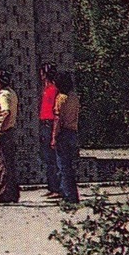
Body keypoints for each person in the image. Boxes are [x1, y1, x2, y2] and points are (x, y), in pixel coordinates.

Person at [0, 67, 20, 204]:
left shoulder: (3, 95)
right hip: (10, 130)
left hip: (3, 132)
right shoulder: (11, 93)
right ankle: (13, 192)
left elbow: (6, 111)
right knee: (9, 162)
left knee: (2, 163)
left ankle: (4, 193)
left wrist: (1, 128)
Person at [50, 69, 81, 205]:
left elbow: (57, 119)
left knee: (63, 165)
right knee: (69, 165)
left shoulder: (60, 98)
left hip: (63, 132)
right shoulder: (74, 96)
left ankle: (68, 195)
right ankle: (71, 193)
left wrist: (54, 136)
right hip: (73, 131)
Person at [38, 62, 60, 199]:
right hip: (45, 123)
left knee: (53, 157)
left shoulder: (54, 89)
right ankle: (51, 186)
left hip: (51, 123)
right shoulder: (46, 88)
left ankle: (57, 187)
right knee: (47, 157)